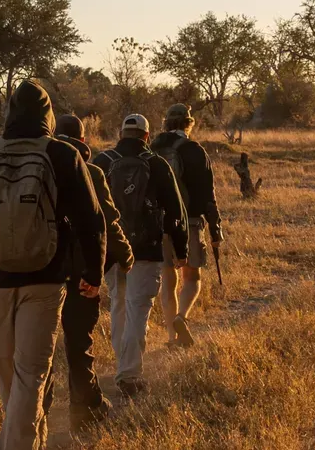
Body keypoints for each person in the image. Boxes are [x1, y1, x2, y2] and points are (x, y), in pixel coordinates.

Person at [0, 80, 104, 450]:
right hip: (45, 280)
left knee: (10, 374)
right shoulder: (62, 154)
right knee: (31, 372)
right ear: (48, 115)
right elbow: (91, 219)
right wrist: (92, 272)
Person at [45, 113, 133, 430]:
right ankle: (85, 408)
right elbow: (107, 219)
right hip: (82, 270)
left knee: (40, 346)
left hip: (42, 270)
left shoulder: (42, 167)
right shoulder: (92, 172)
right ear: (83, 141)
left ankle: (37, 412)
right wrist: (124, 253)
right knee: (78, 341)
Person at [93, 113, 188, 398]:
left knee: (118, 305)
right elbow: (175, 210)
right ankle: (130, 373)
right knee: (138, 309)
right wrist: (180, 250)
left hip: (111, 249)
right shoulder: (156, 164)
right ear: (147, 136)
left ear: (121, 133)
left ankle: (124, 364)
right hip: (145, 250)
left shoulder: (102, 162)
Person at [152, 104, 225, 347]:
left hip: (160, 222)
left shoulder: (153, 149)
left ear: (166, 123)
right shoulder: (195, 150)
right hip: (190, 222)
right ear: (189, 123)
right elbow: (208, 194)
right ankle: (182, 318)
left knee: (167, 278)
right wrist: (215, 229)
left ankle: (172, 336)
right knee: (192, 277)